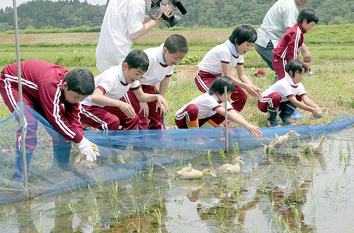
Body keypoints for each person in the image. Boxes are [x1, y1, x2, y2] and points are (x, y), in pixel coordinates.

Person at [0, 60, 97, 183]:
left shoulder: (73, 88)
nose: (77, 100)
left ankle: (61, 166)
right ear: (65, 86)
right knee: (28, 124)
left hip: (38, 91)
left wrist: (83, 141)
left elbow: (73, 118)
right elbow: (55, 118)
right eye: (76, 97)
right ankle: (20, 177)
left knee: (64, 130)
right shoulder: (52, 84)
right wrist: (80, 141)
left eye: (81, 99)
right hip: (14, 84)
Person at [80, 50, 169, 131]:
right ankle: (106, 147)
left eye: (141, 75)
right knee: (112, 121)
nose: (138, 78)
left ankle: (120, 146)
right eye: (137, 73)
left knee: (133, 118)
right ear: (125, 66)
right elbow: (95, 97)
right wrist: (119, 103)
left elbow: (141, 96)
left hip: (103, 106)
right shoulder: (112, 76)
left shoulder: (131, 78)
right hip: (87, 106)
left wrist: (157, 96)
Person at [122, 34, 188, 129]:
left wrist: (160, 99)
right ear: (165, 51)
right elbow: (136, 76)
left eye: (181, 58)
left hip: (149, 87)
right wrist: (142, 100)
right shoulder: (150, 57)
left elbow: (166, 78)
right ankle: (141, 143)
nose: (178, 61)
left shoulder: (170, 61)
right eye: (176, 58)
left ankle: (156, 142)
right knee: (142, 114)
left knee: (159, 113)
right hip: (134, 86)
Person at [194, 25, 262, 114]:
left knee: (242, 97)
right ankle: (211, 120)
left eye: (251, 45)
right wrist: (245, 86)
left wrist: (252, 87)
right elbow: (227, 76)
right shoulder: (225, 50)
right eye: (247, 45)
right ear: (236, 40)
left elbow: (242, 75)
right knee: (218, 98)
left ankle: (226, 119)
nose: (249, 48)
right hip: (204, 76)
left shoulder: (239, 53)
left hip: (219, 78)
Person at [95, 0, 174, 72]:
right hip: (119, 51)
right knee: (135, 83)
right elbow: (134, 34)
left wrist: (156, 17)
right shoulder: (137, 2)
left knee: (110, 85)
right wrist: (159, 20)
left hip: (104, 51)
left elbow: (133, 19)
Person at [176, 76, 262, 138]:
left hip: (199, 120)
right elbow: (227, 114)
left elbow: (233, 113)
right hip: (183, 120)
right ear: (219, 91)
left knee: (224, 114)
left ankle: (204, 134)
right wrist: (246, 125)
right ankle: (195, 137)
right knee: (192, 108)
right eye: (228, 94)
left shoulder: (222, 100)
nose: (229, 98)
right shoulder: (209, 98)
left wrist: (248, 125)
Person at [258, 58, 322, 127]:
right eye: (299, 74)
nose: (301, 77)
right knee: (276, 96)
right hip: (264, 102)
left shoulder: (299, 84)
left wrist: (317, 108)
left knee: (298, 96)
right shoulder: (284, 83)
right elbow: (295, 102)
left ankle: (283, 118)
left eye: (302, 74)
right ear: (291, 73)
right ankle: (272, 120)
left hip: (279, 103)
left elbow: (306, 99)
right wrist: (312, 110)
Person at [254, 0, 311, 74]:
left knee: (282, 71)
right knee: (289, 70)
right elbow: (291, 32)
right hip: (269, 42)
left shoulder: (286, 2)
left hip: (263, 41)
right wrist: (304, 49)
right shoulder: (290, 6)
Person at [272, 8, 318, 80]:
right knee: (288, 81)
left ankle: (274, 90)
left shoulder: (296, 30)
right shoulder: (297, 32)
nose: (311, 28)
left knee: (284, 81)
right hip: (282, 60)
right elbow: (292, 51)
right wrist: (295, 65)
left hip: (280, 60)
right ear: (305, 21)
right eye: (312, 25)